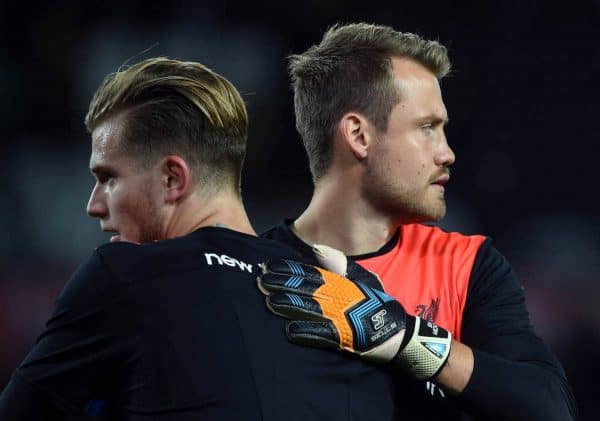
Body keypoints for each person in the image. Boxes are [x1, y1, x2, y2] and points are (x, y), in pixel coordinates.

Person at [0, 57, 405, 420]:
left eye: (108, 179)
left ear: (172, 179)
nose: (93, 205)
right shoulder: (348, 291)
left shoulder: (123, 274)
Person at [261, 23, 578, 420]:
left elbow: (550, 408)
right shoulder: (257, 270)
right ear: (358, 136)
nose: (447, 153)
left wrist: (406, 339)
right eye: (427, 128)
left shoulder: (467, 265)